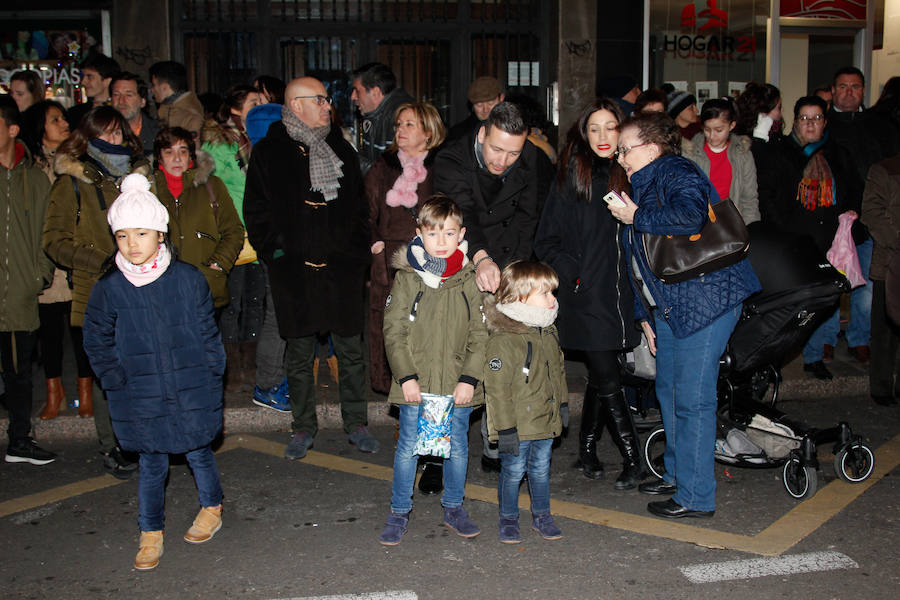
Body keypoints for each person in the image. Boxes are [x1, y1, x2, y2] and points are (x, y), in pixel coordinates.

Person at [608, 111, 761, 519]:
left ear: (653, 148)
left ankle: (696, 497)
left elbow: (690, 215)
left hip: (708, 297)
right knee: (671, 392)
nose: (621, 156)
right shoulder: (641, 183)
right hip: (674, 303)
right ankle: (678, 475)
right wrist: (644, 315)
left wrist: (635, 216)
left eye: (626, 148)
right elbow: (639, 259)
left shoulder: (676, 169)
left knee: (693, 399)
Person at [82, 174, 226, 571]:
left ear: (160, 235)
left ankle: (212, 507)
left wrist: (213, 375)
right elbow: (95, 338)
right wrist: (114, 381)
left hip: (190, 383)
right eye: (123, 236)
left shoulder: (188, 279)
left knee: (198, 449)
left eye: (141, 234)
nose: (132, 245)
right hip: (139, 390)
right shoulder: (110, 287)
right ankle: (150, 533)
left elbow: (207, 332)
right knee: (151, 460)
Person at [243, 76, 377, 458]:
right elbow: (256, 212)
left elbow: (359, 208)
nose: (327, 105)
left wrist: (356, 255)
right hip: (294, 272)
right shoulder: (270, 151)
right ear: (296, 105)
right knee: (298, 354)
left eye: (326, 99)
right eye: (319, 99)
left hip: (342, 269)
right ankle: (303, 427)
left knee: (351, 352)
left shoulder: (341, 148)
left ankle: (356, 423)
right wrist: (278, 254)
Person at [434, 100, 554, 472]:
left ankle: (494, 438)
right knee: (449, 361)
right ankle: (437, 454)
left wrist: (512, 274)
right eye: (496, 149)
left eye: (513, 153)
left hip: (506, 261)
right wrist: (482, 258)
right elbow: (462, 213)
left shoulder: (532, 159)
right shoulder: (450, 158)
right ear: (482, 133)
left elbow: (527, 217)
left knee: (504, 357)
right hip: (459, 259)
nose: (503, 161)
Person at [533, 98, 645, 488]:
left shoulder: (631, 174)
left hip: (622, 294)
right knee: (608, 375)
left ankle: (586, 448)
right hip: (587, 296)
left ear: (622, 131)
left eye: (610, 127)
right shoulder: (571, 175)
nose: (602, 136)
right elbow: (545, 240)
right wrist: (574, 276)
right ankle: (634, 460)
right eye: (593, 128)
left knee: (604, 374)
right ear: (583, 133)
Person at [43, 105, 152, 478]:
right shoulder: (72, 182)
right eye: (105, 134)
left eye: (119, 133)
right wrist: (101, 260)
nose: (114, 141)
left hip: (141, 288)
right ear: (88, 138)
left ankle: (139, 439)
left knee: (140, 370)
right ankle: (114, 444)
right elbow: (54, 242)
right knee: (110, 375)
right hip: (98, 291)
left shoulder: (139, 180)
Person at [377, 196, 487, 545]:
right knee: (408, 446)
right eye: (434, 233)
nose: (441, 242)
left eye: (449, 234)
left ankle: (454, 506)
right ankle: (398, 511)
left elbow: (481, 334)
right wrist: (406, 377)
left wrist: (470, 379)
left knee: (456, 447)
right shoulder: (408, 278)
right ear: (419, 233)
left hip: (458, 384)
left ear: (462, 235)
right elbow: (394, 331)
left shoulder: (469, 279)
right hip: (417, 384)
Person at [757, 96, 862, 380]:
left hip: (828, 239)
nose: (810, 124)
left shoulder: (838, 154)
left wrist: (850, 214)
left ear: (825, 122)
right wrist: (779, 230)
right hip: (792, 241)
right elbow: (767, 194)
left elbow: (854, 188)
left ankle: (815, 356)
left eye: (816, 118)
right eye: (804, 118)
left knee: (825, 302)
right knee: (788, 305)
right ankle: (774, 360)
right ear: (796, 122)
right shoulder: (781, 152)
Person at [366, 101, 445, 395]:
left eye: (409, 124)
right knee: (387, 321)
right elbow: (366, 210)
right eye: (399, 124)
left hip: (428, 257)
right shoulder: (383, 166)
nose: (400, 130)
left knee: (426, 322)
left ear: (428, 131)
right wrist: (375, 243)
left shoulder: (441, 165)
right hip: (387, 259)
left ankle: (426, 383)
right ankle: (389, 386)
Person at [484, 261, 566, 543]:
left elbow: (558, 371)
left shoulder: (547, 330)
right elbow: (496, 390)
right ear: (520, 297)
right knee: (514, 471)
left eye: (552, 293)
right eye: (546, 294)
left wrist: (562, 405)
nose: (553, 299)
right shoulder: (505, 339)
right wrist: (505, 429)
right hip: (516, 425)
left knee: (541, 470)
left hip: (544, 419)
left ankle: (542, 515)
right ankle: (508, 518)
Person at [21, 100, 93, 419]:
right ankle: (54, 392)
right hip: (45, 258)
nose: (63, 123)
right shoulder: (30, 169)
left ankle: (85, 392)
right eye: (54, 120)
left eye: (63, 118)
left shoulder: (77, 161)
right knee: (49, 333)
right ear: (41, 129)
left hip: (76, 257)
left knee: (80, 331)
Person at [827, 67, 900, 365]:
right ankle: (826, 340)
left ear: (863, 91)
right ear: (833, 91)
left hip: (870, 219)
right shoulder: (823, 123)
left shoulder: (878, 126)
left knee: (867, 287)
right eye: (842, 86)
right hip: (833, 221)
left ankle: (859, 339)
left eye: (855, 87)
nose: (848, 92)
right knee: (831, 284)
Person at [0, 96, 56, 465]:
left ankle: (19, 439)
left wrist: (39, 276)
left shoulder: (35, 178)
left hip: (19, 294)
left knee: (19, 374)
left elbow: (46, 233)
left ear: (12, 129)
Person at [199, 85, 263, 390]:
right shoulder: (217, 143)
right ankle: (230, 368)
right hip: (233, 232)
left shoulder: (257, 138)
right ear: (235, 109)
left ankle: (250, 365)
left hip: (259, 231)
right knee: (232, 302)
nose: (261, 106)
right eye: (254, 102)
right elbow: (214, 188)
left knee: (255, 301)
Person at [152, 126, 244, 308]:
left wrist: (217, 265)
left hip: (203, 287)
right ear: (159, 157)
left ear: (191, 156)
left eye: (183, 151)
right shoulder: (149, 190)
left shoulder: (211, 186)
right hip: (159, 290)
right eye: (169, 152)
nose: (177, 159)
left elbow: (233, 230)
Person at [862, 152, 900, 406]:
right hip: (890, 260)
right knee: (884, 328)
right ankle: (881, 385)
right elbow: (871, 213)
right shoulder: (884, 169)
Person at [685, 98, 760, 224]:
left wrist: (750, 230)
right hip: (698, 225)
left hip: (731, 224)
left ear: (732, 125)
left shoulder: (743, 154)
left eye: (719, 130)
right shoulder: (690, 153)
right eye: (707, 129)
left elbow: (749, 199)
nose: (712, 136)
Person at [350, 62, 414, 175]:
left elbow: (394, 173)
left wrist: (349, 159)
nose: (353, 97)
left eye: (357, 91)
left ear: (375, 93)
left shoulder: (401, 116)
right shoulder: (372, 115)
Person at [735, 82, 783, 172]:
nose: (782, 111)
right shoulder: (742, 141)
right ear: (763, 112)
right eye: (779, 108)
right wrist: (760, 137)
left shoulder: (776, 136)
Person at [149, 60, 205, 137]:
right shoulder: (167, 110)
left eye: (154, 85)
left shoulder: (191, 117)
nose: (152, 90)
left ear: (164, 87)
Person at [111, 72, 158, 158]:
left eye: (128, 95)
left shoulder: (157, 134)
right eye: (116, 95)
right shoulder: (103, 134)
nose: (121, 101)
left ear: (143, 102)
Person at [67, 53, 120, 130]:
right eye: (82, 76)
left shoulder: (120, 111)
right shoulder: (75, 114)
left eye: (89, 76)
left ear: (106, 81)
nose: (83, 82)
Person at [446, 75, 505, 143]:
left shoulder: (516, 126)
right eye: (479, 105)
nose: (485, 109)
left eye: (490, 103)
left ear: (501, 98)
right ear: (472, 105)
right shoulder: (459, 134)